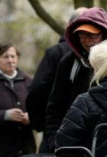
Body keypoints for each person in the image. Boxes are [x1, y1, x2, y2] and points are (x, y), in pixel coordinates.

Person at [42, 7, 107, 153]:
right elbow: (55, 107)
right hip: (72, 146)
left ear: (104, 34)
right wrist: (55, 141)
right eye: (82, 35)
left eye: (92, 35)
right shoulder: (68, 64)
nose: (87, 41)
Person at [27, 8, 86, 136]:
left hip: (58, 127)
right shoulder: (62, 57)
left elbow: (37, 90)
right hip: (61, 127)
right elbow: (38, 90)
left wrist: (40, 124)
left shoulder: (55, 52)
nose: (86, 40)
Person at [0, 43, 36, 157]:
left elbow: (40, 110)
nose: (10, 60)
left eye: (13, 56)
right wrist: (5, 115)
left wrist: (31, 117)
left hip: (26, 148)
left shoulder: (28, 81)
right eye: (6, 57)